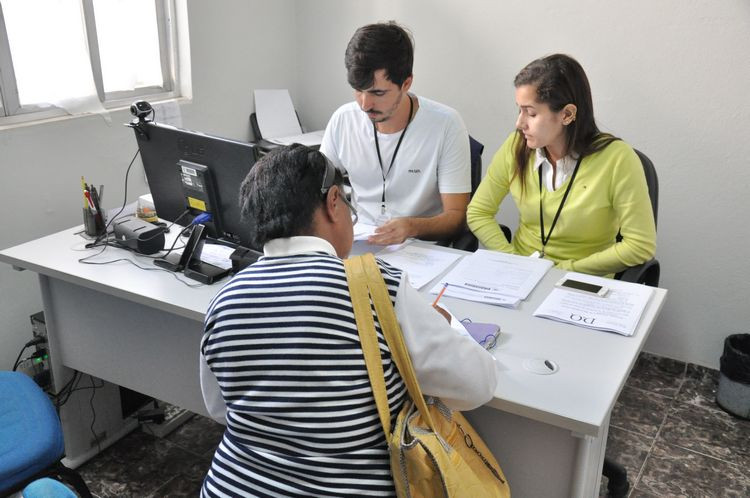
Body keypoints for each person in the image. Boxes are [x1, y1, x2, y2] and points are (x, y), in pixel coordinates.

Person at [199, 144, 498, 497]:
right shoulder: (375, 286)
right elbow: (477, 385)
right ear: (334, 201)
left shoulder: (224, 299)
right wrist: (444, 325)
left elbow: (218, 408)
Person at [467, 54, 656, 276]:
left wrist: (566, 270)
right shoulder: (516, 146)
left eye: (531, 113)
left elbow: (640, 245)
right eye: (519, 110)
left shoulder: (617, 159)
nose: (519, 123)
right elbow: (478, 212)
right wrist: (513, 260)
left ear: (567, 114)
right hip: (520, 276)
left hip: (580, 281)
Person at [320, 21, 471, 245]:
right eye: (358, 90)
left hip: (420, 248)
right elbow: (318, 192)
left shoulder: (446, 124)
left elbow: (456, 216)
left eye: (378, 92)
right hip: (359, 242)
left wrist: (412, 226)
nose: (364, 104)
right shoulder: (343, 119)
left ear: (406, 83)